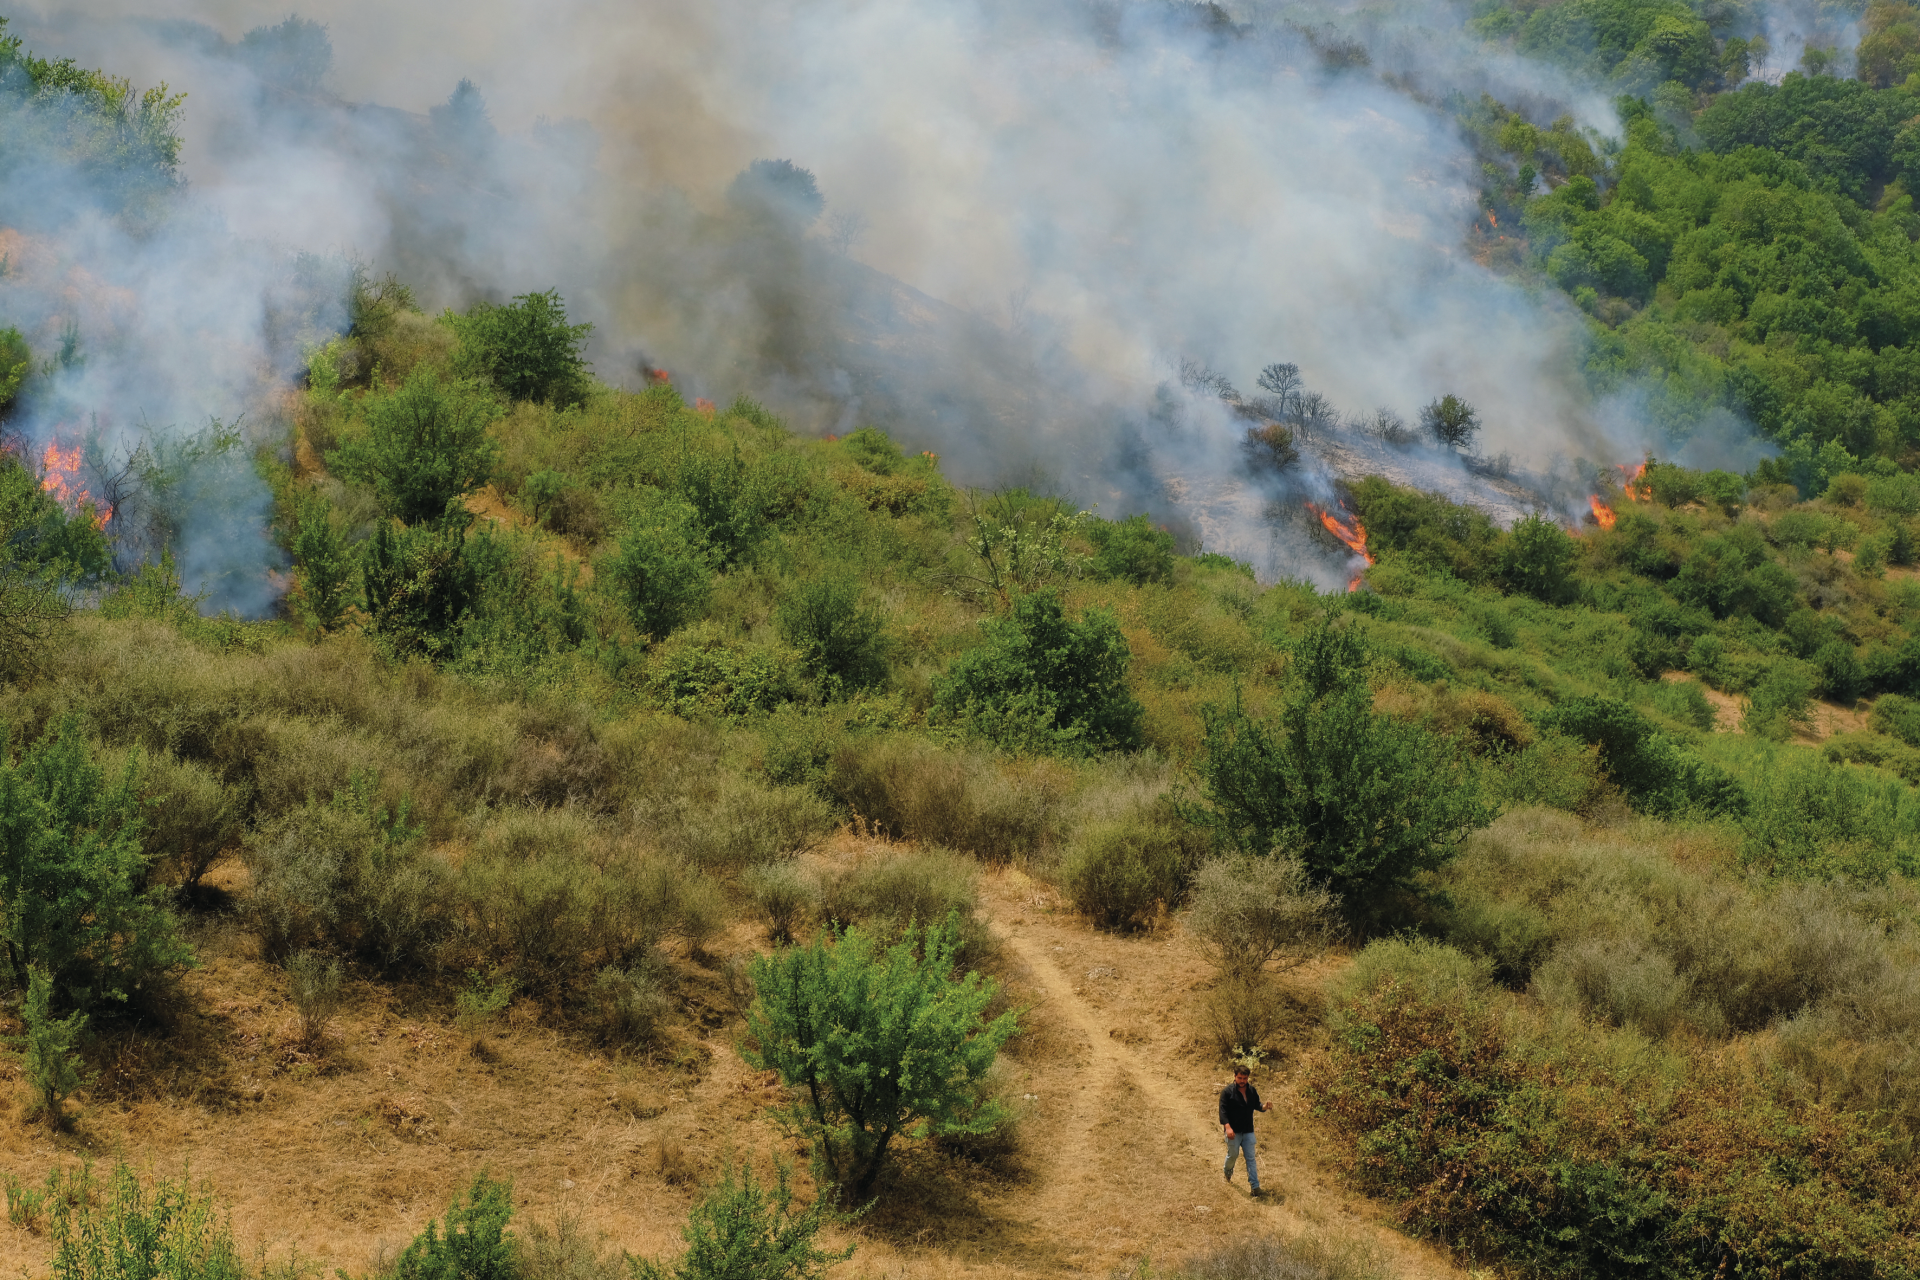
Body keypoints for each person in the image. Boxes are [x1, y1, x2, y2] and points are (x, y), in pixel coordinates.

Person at [1218, 1065, 1272, 1197]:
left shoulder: (1251, 1091)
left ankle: (1255, 1188)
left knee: (1251, 1158)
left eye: (1245, 1078)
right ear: (1235, 1077)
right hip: (1233, 1132)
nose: (1242, 1080)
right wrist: (1228, 1128)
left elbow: (1257, 1105)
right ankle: (1227, 1173)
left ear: (1248, 1078)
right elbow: (1223, 1112)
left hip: (1248, 1130)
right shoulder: (1227, 1092)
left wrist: (1265, 1106)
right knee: (1233, 1155)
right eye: (1240, 1078)